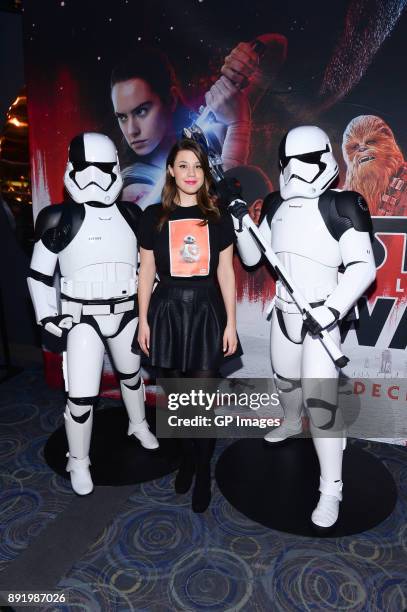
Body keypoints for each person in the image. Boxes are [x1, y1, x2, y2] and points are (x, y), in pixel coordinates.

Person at [230, 126, 376, 529]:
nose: (298, 173)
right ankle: (292, 422)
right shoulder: (276, 204)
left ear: (325, 158)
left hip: (321, 316)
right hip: (285, 310)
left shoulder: (343, 205)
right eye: (290, 165)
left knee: (322, 401)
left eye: (306, 162)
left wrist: (330, 311)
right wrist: (242, 223)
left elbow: (364, 267)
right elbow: (251, 256)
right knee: (284, 380)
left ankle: (332, 487)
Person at [27, 133, 159, 496]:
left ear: (116, 168)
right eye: (86, 169)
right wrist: (48, 318)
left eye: (104, 169)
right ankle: (79, 459)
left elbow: (145, 266)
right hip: (80, 317)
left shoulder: (131, 214)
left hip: (125, 311)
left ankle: (138, 423)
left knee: (132, 377)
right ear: (72, 169)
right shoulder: (58, 217)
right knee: (82, 396)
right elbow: (39, 276)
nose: (96, 178)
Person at [135, 138, 241, 512]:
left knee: (202, 403)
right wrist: (142, 322)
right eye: (183, 166)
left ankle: (202, 470)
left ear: (204, 171)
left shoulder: (219, 216)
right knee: (176, 402)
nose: (191, 174)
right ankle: (185, 457)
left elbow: (227, 272)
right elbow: (146, 272)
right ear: (170, 171)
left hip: (207, 313)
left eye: (197, 166)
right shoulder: (152, 216)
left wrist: (231, 323)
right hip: (165, 313)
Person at [110, 47, 251, 209]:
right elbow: (217, 214)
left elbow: (277, 45)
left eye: (141, 111)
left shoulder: (207, 134)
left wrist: (242, 59)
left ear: (171, 99)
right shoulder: (133, 185)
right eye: (122, 117)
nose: (131, 130)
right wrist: (238, 127)